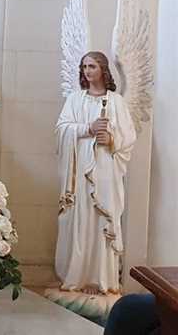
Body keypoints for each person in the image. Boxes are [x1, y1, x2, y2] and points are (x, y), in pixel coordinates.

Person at [55, 51, 136, 294]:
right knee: (81, 220)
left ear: (103, 70)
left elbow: (129, 137)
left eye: (92, 66)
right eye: (84, 67)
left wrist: (111, 139)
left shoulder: (116, 102)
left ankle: (102, 280)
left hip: (106, 172)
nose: (87, 71)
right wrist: (87, 129)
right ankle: (78, 277)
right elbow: (61, 130)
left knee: (103, 221)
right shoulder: (75, 99)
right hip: (81, 173)